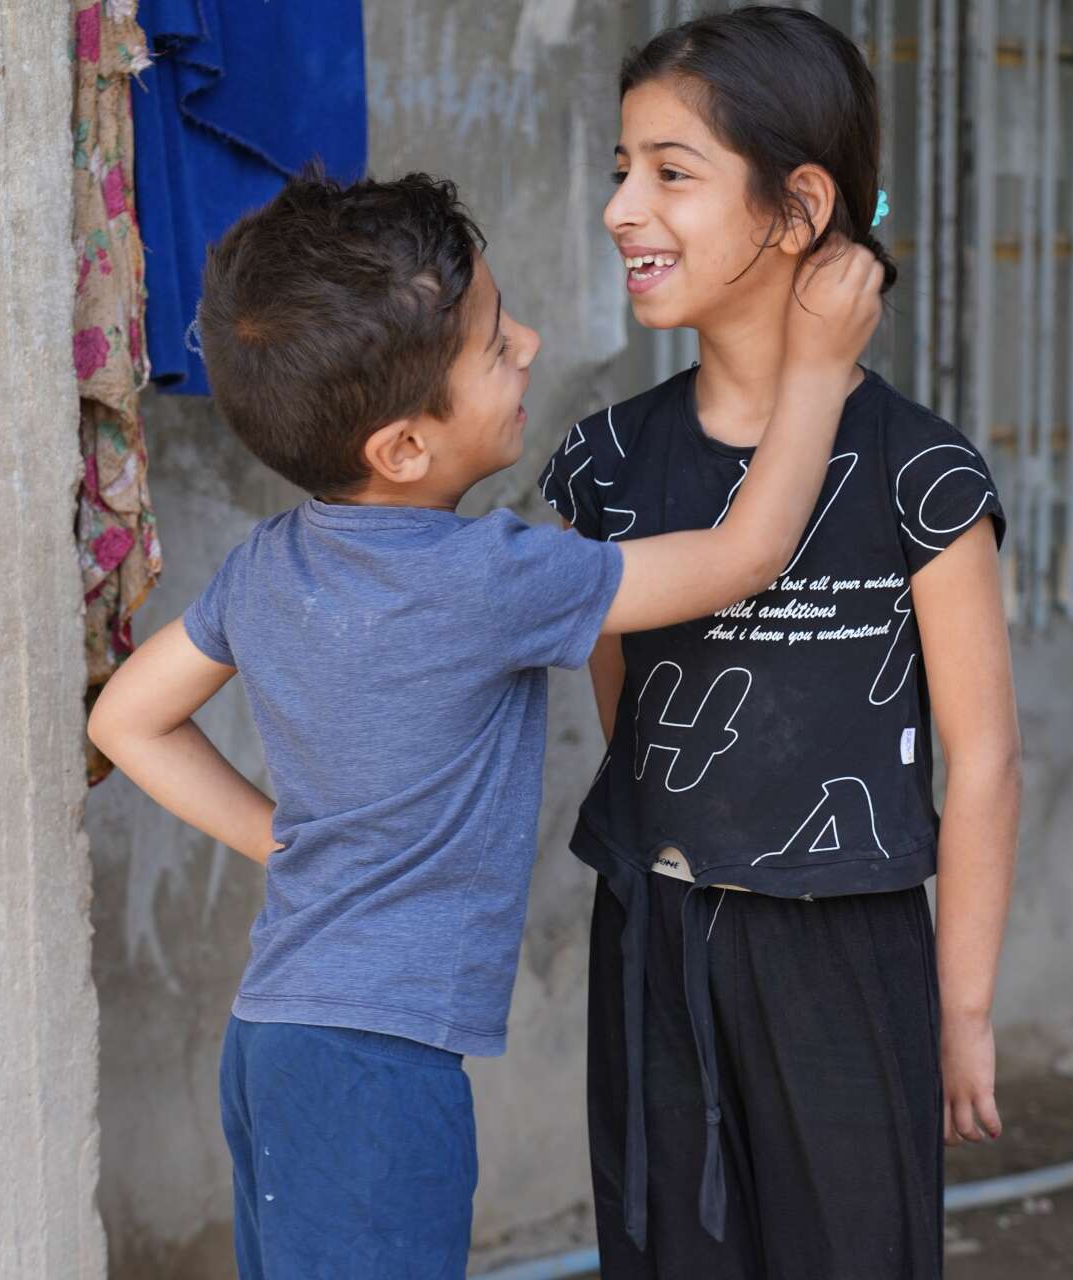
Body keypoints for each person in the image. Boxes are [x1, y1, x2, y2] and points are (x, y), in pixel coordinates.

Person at [86, 163, 882, 1280]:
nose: (532, 344)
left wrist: (287, 840)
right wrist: (819, 367)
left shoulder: (267, 566)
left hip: (275, 1036)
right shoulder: (486, 577)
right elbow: (742, 558)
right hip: (378, 1071)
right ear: (403, 446)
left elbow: (127, 720)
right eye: (496, 343)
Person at [538, 8, 1022, 1278]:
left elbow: (981, 759)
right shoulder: (604, 465)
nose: (621, 208)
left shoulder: (919, 472)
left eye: (669, 171)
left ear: (798, 207)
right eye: (619, 170)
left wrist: (959, 1007)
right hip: (654, 935)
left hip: (846, 953)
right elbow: (628, 717)